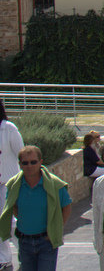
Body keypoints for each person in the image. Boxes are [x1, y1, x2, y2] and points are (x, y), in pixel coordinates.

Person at [0, 145, 72, 270]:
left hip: (46, 241)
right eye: (25, 163)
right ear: (20, 164)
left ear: (40, 162)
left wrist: (57, 228)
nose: (29, 166)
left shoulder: (54, 184)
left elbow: (66, 207)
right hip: (24, 242)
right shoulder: (13, 185)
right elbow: (14, 207)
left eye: (33, 162)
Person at [0, 101, 23, 269]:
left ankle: (25, 253)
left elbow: (21, 154)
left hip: (7, 185)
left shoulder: (8, 128)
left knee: (13, 221)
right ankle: (4, 259)